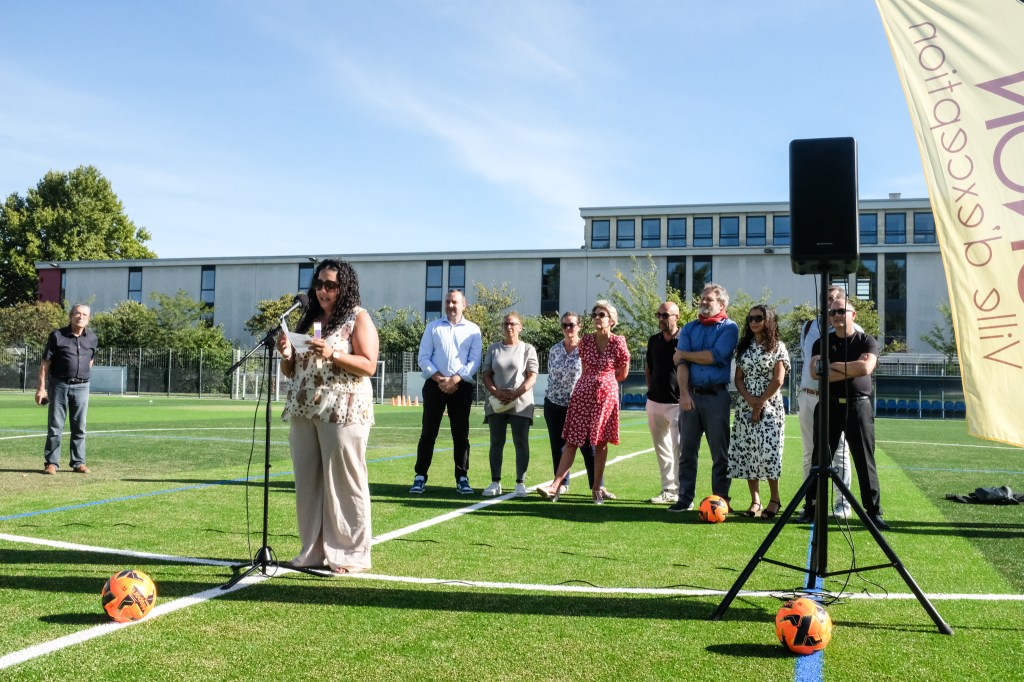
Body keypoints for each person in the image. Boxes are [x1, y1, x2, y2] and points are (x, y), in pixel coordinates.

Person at [276, 259, 378, 574]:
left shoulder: (357, 317)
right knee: (308, 483)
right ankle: (311, 551)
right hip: (305, 408)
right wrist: (286, 354)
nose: (323, 290)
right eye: (319, 284)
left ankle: (351, 554)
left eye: (330, 285)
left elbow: (369, 364)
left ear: (343, 286)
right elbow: (291, 370)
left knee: (345, 483)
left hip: (343, 410)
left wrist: (333, 353)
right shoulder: (310, 319)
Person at [538, 300, 630, 505]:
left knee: (599, 443)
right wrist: (592, 382)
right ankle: (555, 485)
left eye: (602, 314)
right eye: (595, 314)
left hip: (606, 396)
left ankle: (597, 488)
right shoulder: (586, 341)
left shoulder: (618, 342)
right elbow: (585, 367)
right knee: (571, 440)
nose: (597, 317)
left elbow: (623, 373)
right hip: (582, 394)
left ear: (612, 320)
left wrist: (605, 381)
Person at [810, 296, 887, 529]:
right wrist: (851, 368)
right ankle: (811, 506)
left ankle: (873, 512)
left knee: (864, 460)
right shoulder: (822, 342)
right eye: (832, 313)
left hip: (858, 406)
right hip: (829, 405)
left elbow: (865, 367)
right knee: (820, 458)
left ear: (853, 315)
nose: (835, 316)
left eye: (841, 311)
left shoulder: (867, 341)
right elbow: (815, 372)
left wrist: (831, 367)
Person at [669, 283, 739, 513]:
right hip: (691, 396)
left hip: (716, 397)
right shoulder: (689, 327)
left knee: (720, 453)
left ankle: (720, 501)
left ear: (721, 304)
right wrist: (684, 394)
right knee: (687, 452)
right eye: (702, 298)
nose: (703, 302)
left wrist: (685, 354)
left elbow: (715, 356)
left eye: (708, 299)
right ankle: (684, 498)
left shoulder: (729, 328)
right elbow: (680, 363)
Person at [796, 286, 861, 522]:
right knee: (809, 453)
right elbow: (811, 366)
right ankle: (810, 503)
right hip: (808, 395)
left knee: (839, 453)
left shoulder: (856, 330)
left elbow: (855, 367)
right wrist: (819, 371)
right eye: (828, 299)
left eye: (837, 300)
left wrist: (825, 371)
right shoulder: (808, 327)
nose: (832, 304)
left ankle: (842, 504)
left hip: (834, 397)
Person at [410, 289, 482, 495]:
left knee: (461, 435)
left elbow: (474, 360)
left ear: (464, 305)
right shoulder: (433, 328)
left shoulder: (473, 330)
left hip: (461, 386)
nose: (451, 305)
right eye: (448, 302)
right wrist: (441, 379)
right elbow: (423, 357)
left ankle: (462, 477)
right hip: (435, 386)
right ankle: (420, 476)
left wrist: (455, 379)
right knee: (428, 434)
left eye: (455, 302)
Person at [727, 305, 790, 519]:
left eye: (759, 318)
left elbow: (778, 379)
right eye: (751, 318)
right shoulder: (743, 348)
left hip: (770, 406)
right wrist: (750, 401)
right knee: (748, 452)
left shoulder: (778, 347)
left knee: (769, 453)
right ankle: (755, 501)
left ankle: (774, 499)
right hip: (746, 404)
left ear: (768, 320)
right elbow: (738, 378)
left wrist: (760, 402)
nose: (754, 321)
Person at [481, 312, 538, 498]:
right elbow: (486, 374)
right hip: (497, 402)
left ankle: (520, 483)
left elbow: (532, 375)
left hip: (521, 402)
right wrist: (496, 392)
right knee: (496, 442)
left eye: (513, 324)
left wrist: (516, 393)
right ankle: (495, 481)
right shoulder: (493, 348)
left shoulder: (527, 348)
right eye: (506, 324)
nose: (509, 327)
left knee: (520, 441)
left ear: (520, 326)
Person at [37, 304, 98, 475]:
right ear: (71, 316)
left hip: (82, 387)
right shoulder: (57, 336)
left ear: (88, 318)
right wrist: (41, 389)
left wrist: (81, 375)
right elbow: (45, 364)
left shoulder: (92, 338)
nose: (81, 317)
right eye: (77, 313)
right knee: (55, 426)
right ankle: (51, 463)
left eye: (84, 314)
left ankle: (78, 462)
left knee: (79, 427)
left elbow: (90, 361)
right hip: (59, 385)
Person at [542, 312, 597, 497]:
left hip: (579, 406)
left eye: (571, 325)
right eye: (564, 325)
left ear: (579, 326)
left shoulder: (586, 349)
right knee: (558, 447)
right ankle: (562, 484)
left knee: (588, 447)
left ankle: (596, 485)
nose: (568, 329)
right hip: (554, 404)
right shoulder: (554, 349)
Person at [646, 301, 681, 505]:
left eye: (665, 315)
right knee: (662, 449)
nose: (661, 319)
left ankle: (682, 491)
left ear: (677, 316)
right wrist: (650, 391)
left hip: (678, 404)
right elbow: (649, 368)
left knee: (679, 448)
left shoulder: (685, 340)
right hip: (655, 402)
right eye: (658, 315)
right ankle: (668, 489)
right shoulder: (653, 340)